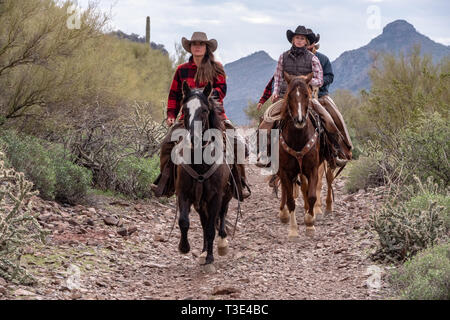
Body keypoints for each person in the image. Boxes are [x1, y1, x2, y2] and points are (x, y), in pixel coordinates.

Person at [151, 32, 250, 199]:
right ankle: (166, 182)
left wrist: (202, 98)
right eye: (194, 44)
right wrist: (171, 114)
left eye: (201, 44)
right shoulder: (181, 70)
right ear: (190, 47)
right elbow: (174, 94)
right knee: (167, 144)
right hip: (187, 119)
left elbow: (222, 90)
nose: (197, 46)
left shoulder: (217, 67)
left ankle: (239, 183)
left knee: (237, 144)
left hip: (215, 116)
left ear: (206, 48)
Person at [256, 27, 352, 167]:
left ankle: (335, 152)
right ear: (292, 40)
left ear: (306, 41)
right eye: (297, 38)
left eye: (302, 38)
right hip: (286, 97)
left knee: (329, 121)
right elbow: (277, 77)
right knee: (266, 122)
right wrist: (275, 92)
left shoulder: (313, 58)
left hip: (308, 98)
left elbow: (319, 79)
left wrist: (301, 83)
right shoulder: (283, 57)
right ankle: (264, 155)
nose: (299, 41)